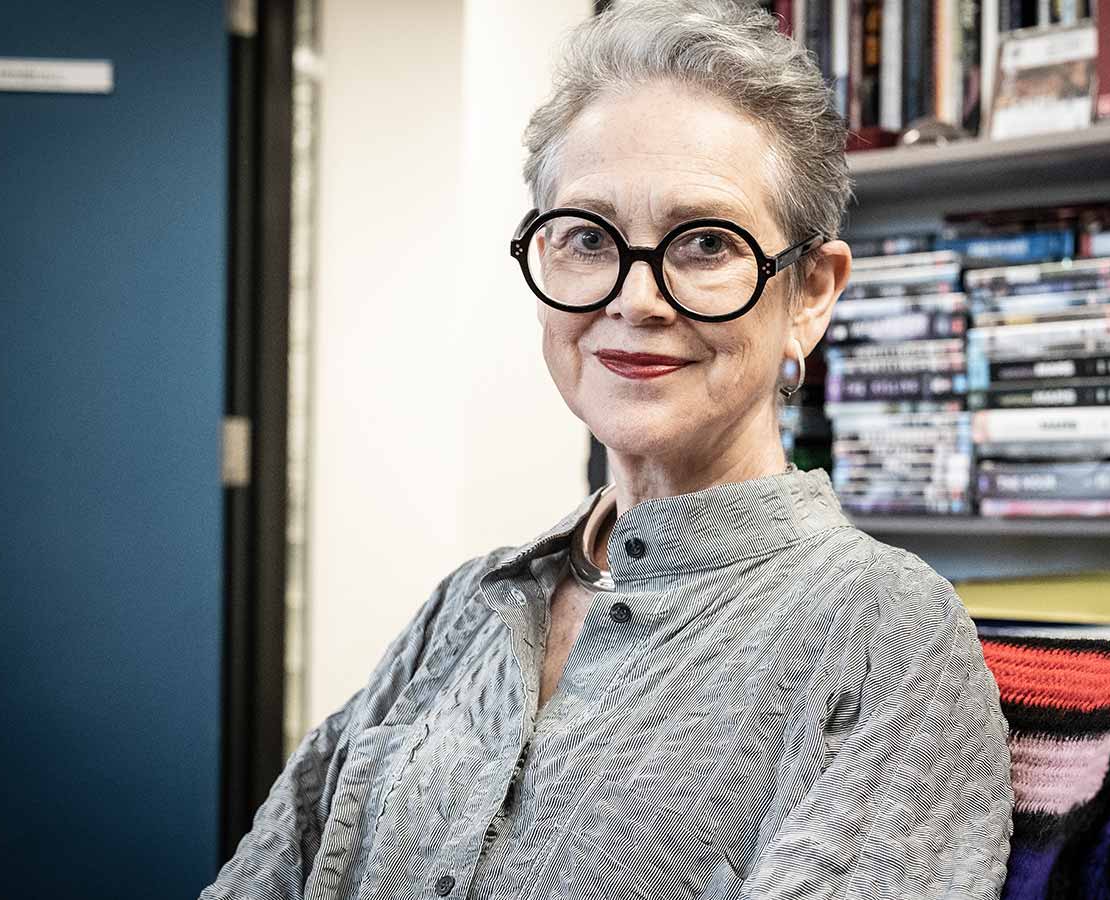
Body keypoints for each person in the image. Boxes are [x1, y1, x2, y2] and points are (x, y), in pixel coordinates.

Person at [200, 1, 1014, 898]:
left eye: (706, 243)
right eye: (588, 238)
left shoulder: (882, 632)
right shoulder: (464, 608)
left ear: (811, 293)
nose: (637, 299)